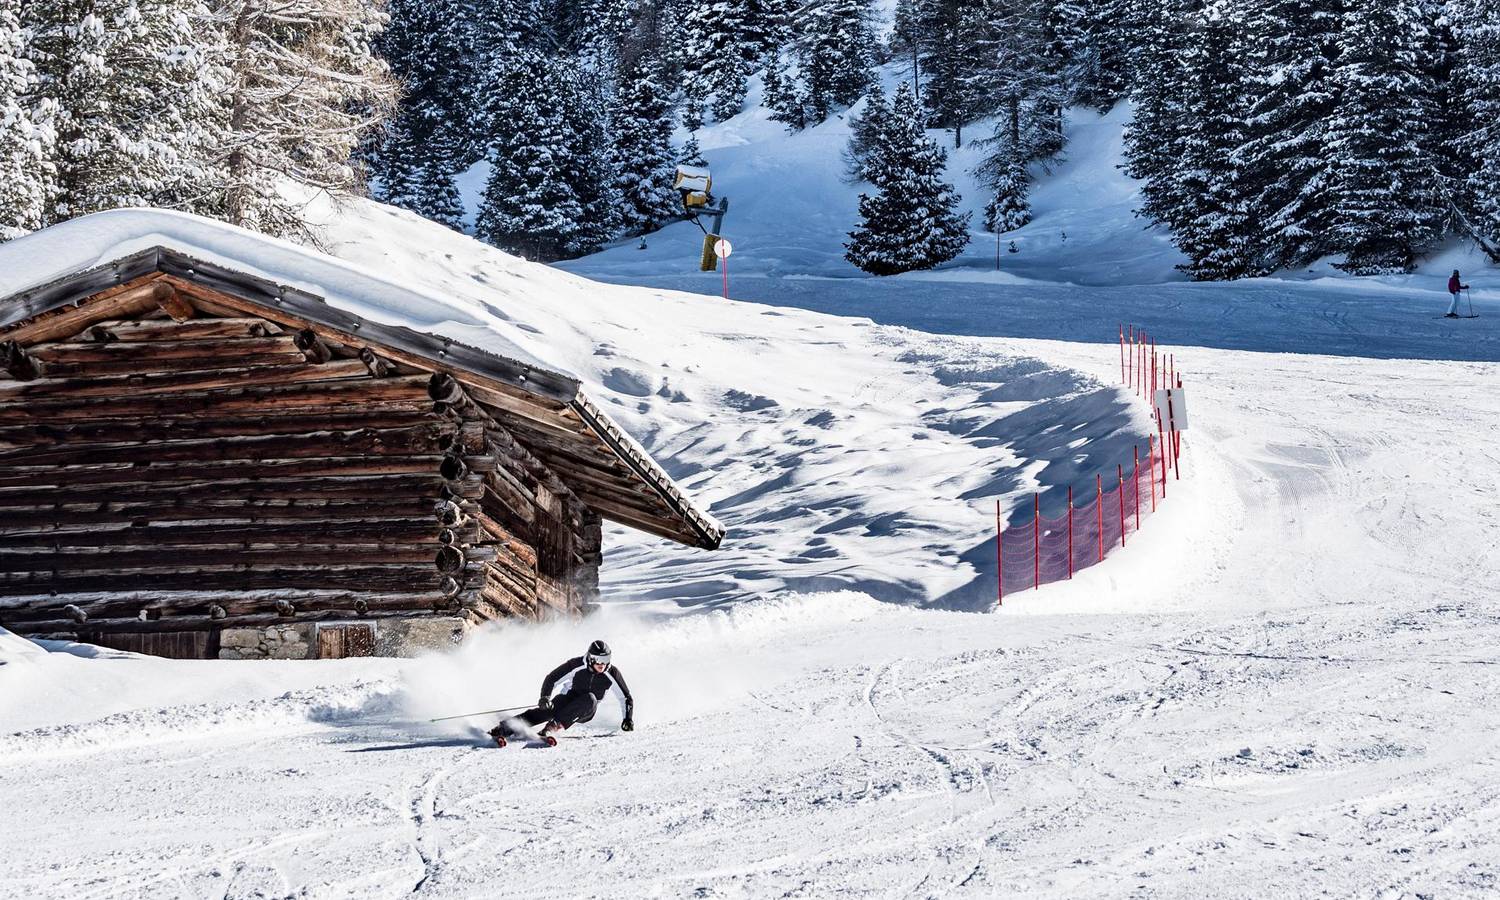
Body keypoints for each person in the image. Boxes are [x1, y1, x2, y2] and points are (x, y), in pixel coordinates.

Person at [489, 640, 634, 746]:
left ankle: (553, 727)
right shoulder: (577, 665)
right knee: (547, 710)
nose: (602, 664)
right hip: (568, 698)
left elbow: (625, 697)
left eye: (606, 660)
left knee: (589, 698)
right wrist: (545, 697)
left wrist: (627, 719)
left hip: (587, 709)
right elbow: (552, 678)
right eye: (598, 660)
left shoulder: (612, 673)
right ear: (590, 658)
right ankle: (505, 728)